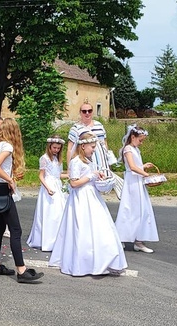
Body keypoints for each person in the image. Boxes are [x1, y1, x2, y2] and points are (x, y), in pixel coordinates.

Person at [49, 132, 127, 276]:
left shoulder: (88, 161)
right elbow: (74, 183)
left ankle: (106, 260)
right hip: (81, 199)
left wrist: (97, 176)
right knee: (83, 229)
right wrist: (91, 176)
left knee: (101, 228)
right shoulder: (76, 162)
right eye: (92, 147)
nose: (94, 149)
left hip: (92, 196)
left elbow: (89, 177)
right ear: (83, 146)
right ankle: (84, 263)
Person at [0, 118, 43, 283]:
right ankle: (21, 270)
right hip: (3, 188)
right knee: (16, 230)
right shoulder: (8, 146)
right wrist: (10, 180)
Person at [115, 124, 159, 253]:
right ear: (133, 137)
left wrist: (144, 166)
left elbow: (137, 165)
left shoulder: (135, 149)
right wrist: (146, 174)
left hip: (137, 181)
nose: (141, 143)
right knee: (130, 209)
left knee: (142, 210)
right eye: (140, 140)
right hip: (132, 183)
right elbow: (132, 167)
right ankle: (120, 237)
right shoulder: (128, 149)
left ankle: (138, 240)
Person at [67, 103, 123, 198]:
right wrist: (69, 168)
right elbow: (70, 149)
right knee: (87, 184)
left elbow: (105, 143)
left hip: (100, 160)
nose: (87, 113)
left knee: (101, 184)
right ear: (80, 113)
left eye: (90, 111)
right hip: (85, 161)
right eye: (84, 111)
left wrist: (108, 161)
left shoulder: (99, 125)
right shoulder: (75, 128)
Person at [27, 135, 68, 252]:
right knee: (50, 213)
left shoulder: (57, 160)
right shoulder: (44, 158)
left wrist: (69, 176)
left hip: (57, 185)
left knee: (59, 213)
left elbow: (58, 175)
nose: (56, 150)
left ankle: (57, 240)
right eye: (54, 148)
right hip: (48, 185)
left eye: (58, 148)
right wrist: (48, 188)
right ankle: (47, 240)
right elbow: (41, 175)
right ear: (49, 147)